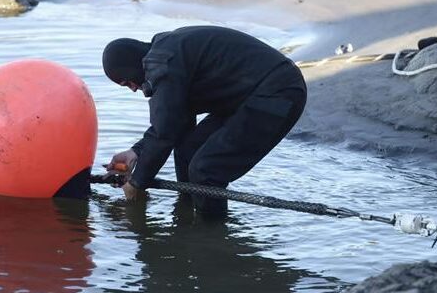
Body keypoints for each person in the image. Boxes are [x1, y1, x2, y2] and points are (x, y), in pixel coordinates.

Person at [102, 26, 307, 216]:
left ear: (132, 66)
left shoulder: (161, 65)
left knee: (206, 170)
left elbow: (164, 132)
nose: (134, 89)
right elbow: (173, 121)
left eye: (127, 82)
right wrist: (135, 152)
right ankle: (187, 214)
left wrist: (137, 183)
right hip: (248, 96)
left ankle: (211, 237)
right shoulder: (165, 54)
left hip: (279, 92)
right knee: (188, 149)